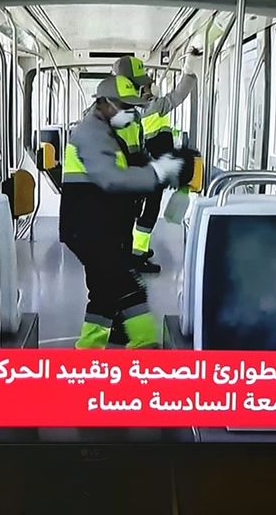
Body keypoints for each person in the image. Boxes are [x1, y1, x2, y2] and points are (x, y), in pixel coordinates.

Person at [60, 75, 185, 349]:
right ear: (106, 104)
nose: (131, 111)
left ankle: (89, 348)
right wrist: (158, 173)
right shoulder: (90, 134)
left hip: (98, 226)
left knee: (104, 291)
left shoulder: (107, 133)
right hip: (87, 228)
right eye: (125, 106)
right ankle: (145, 344)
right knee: (127, 286)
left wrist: (158, 166)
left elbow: (128, 162)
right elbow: (111, 178)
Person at [112, 48, 202, 273]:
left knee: (131, 213)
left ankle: (131, 251)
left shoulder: (118, 110)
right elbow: (179, 94)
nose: (151, 86)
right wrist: (189, 71)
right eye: (147, 84)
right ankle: (137, 254)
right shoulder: (154, 107)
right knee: (149, 212)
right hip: (154, 171)